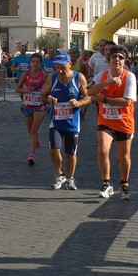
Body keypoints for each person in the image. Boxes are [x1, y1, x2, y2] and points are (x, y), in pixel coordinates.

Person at [87, 45, 137, 200]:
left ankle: (124, 184)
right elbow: (89, 91)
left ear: (125, 61)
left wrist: (105, 99)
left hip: (124, 121)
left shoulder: (129, 77)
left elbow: (126, 102)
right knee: (102, 150)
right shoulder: (102, 75)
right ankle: (106, 183)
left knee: (124, 157)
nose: (117, 60)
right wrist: (107, 83)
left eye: (121, 57)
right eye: (114, 57)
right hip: (105, 120)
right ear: (109, 60)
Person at [40, 51, 90, 190]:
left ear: (70, 64)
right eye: (57, 67)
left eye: (63, 67)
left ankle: (71, 178)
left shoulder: (78, 77)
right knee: (54, 149)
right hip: (56, 121)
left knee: (70, 153)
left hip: (72, 123)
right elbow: (43, 96)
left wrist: (79, 103)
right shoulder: (52, 78)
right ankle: (60, 174)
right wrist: (48, 99)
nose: (60, 71)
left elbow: (88, 97)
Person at [15, 53, 46, 165]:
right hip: (27, 106)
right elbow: (17, 89)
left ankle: (31, 155)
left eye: (37, 62)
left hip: (39, 106)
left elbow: (49, 88)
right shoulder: (25, 74)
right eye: (33, 62)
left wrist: (46, 95)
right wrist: (25, 90)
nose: (35, 64)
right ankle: (35, 139)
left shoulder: (44, 75)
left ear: (41, 64)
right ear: (30, 63)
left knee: (34, 130)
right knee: (31, 131)